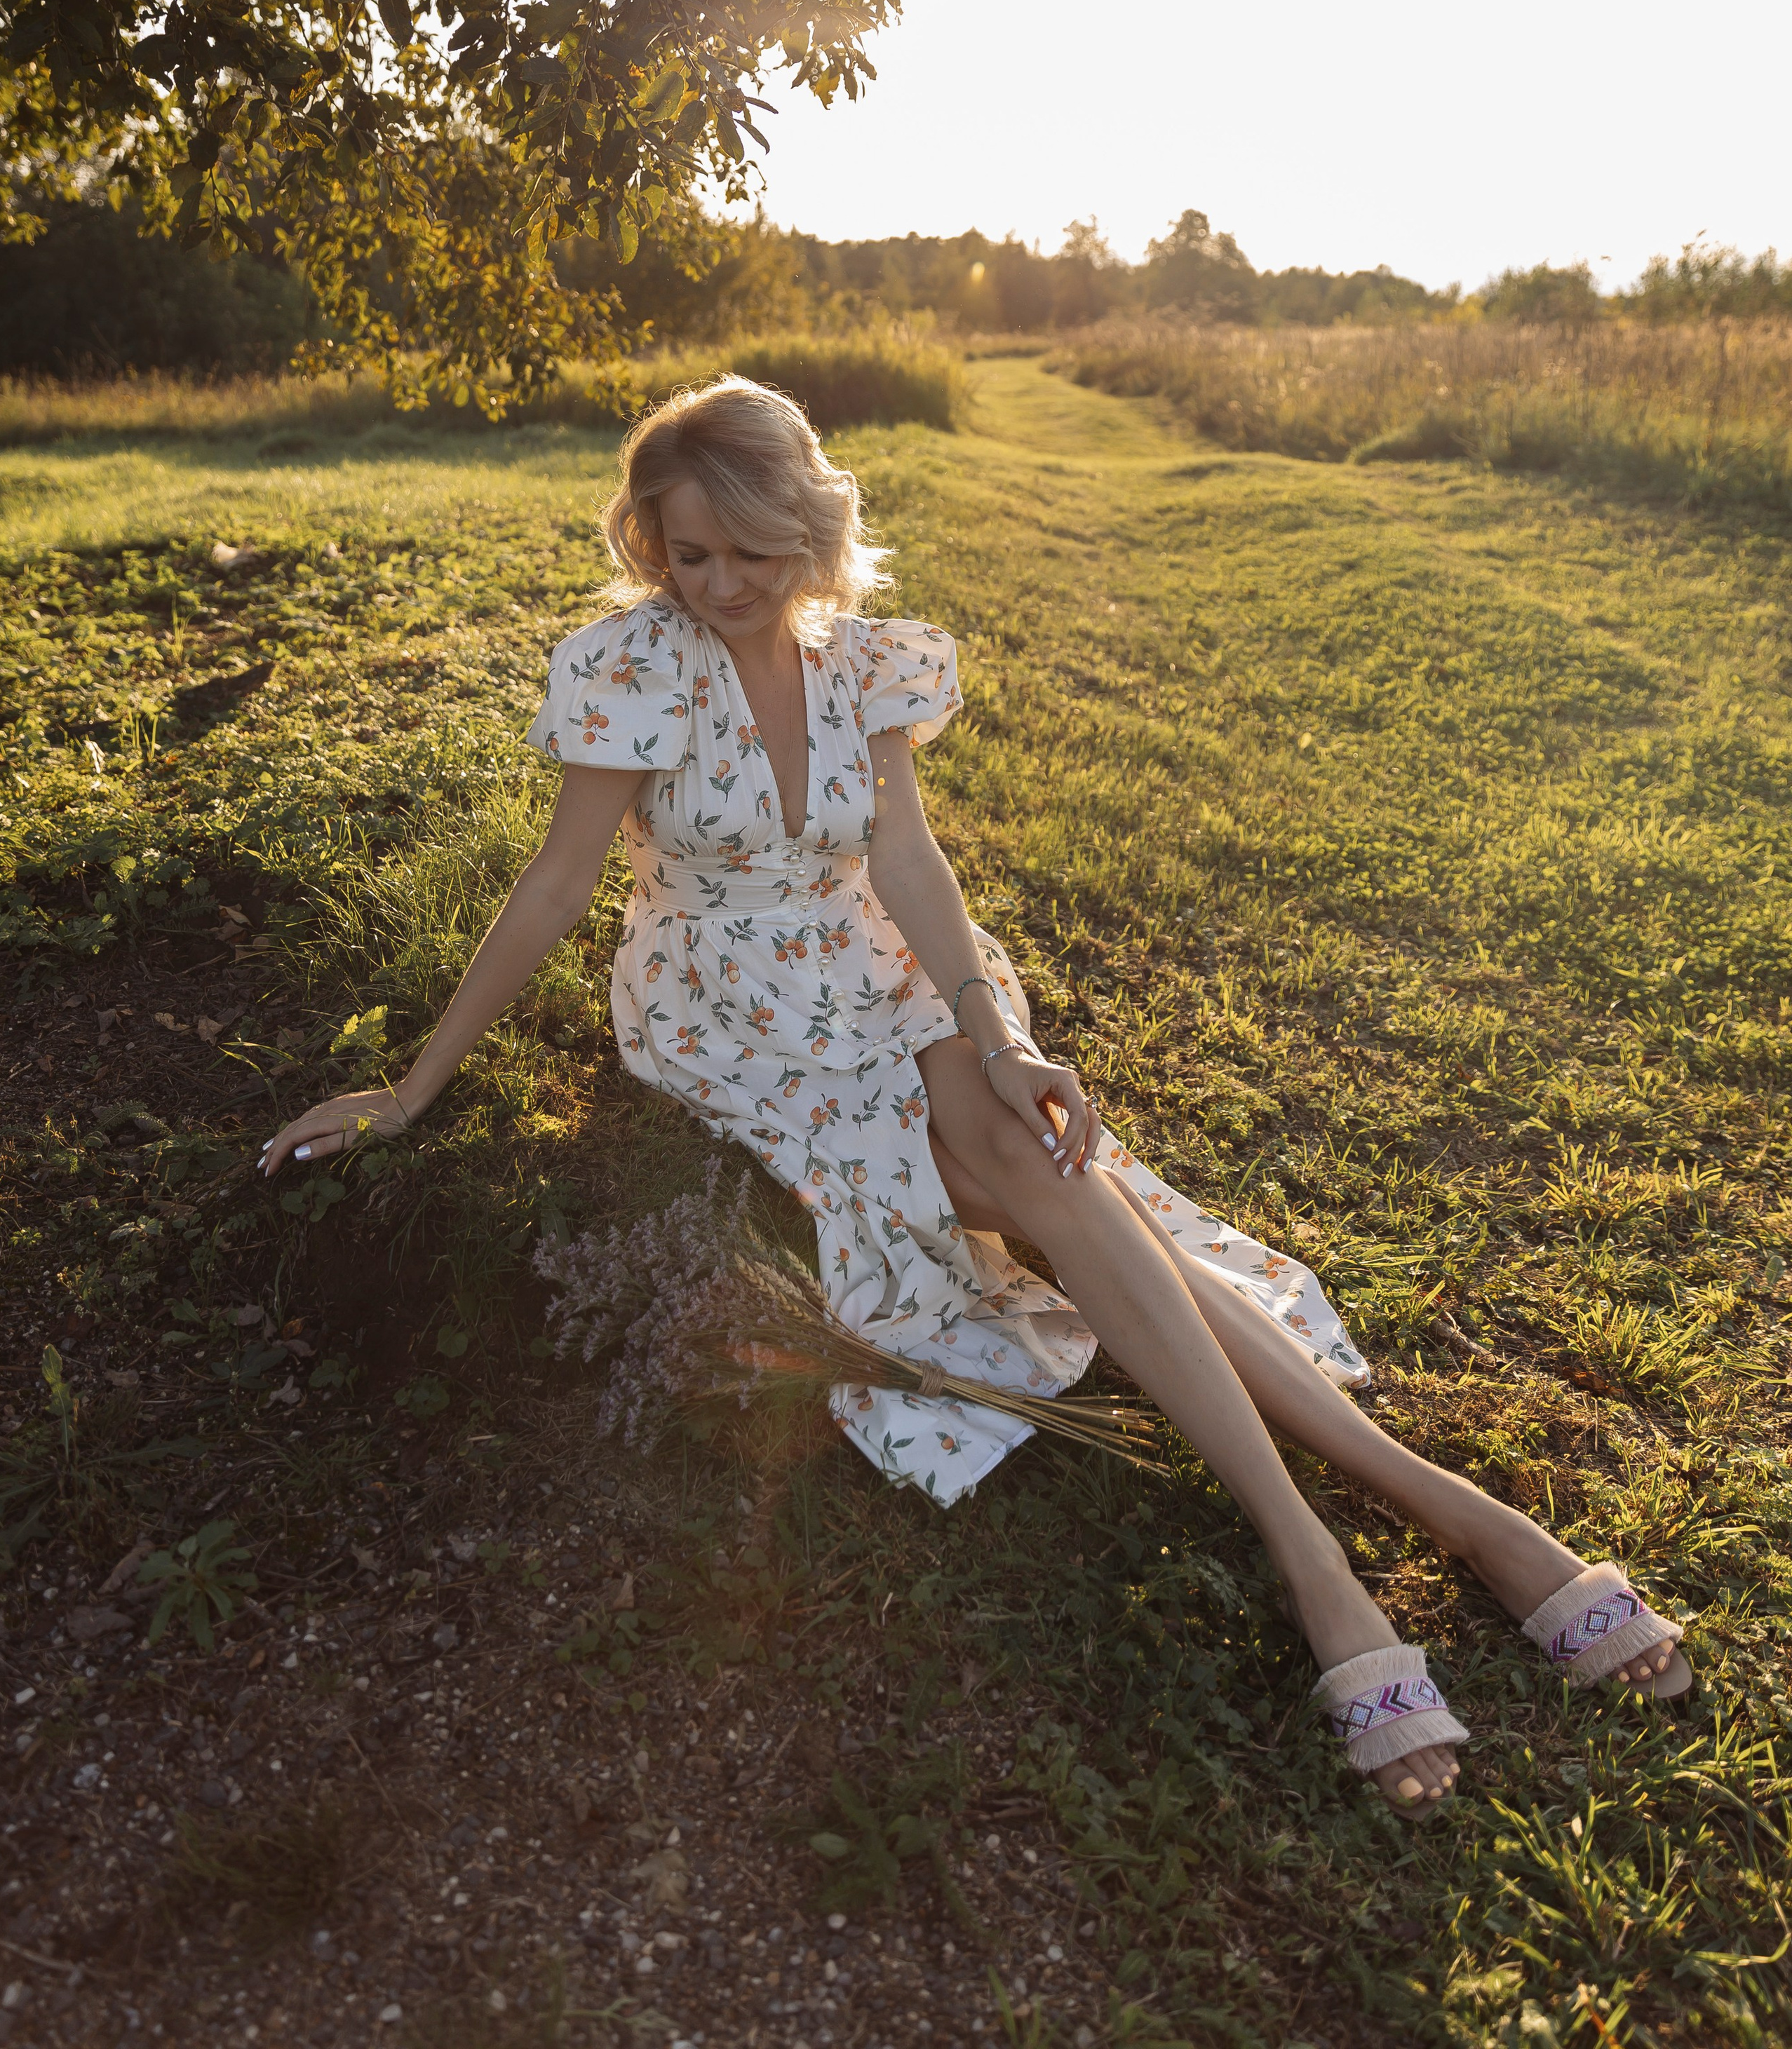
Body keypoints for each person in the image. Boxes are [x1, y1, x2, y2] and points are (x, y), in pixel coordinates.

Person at [262, 375, 1690, 1811]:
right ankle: (1373, 1545)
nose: (717, 584)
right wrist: (413, 1084)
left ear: (809, 531)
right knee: (1055, 1191)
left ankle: (1402, 1528)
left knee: (1028, 1144)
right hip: (727, 1010)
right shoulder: (628, 668)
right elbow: (557, 885)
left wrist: (988, 1028)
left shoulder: (865, 661)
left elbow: (908, 869)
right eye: (685, 553)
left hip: (875, 969)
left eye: (750, 553)